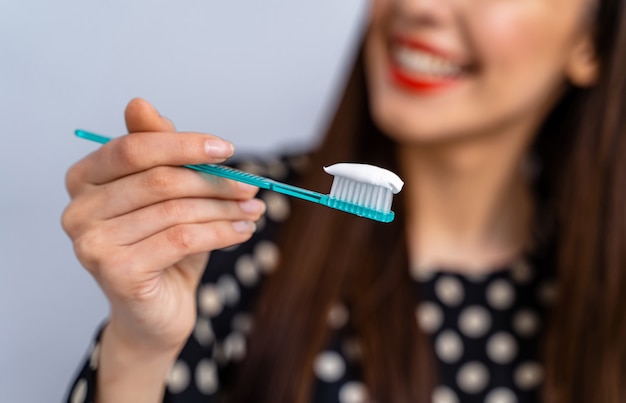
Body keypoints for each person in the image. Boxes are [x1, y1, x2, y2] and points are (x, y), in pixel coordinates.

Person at [63, 0, 626, 402]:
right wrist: (139, 350)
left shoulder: (605, 288)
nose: (420, 6)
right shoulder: (226, 221)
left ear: (591, 43)